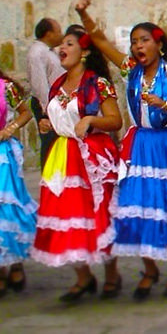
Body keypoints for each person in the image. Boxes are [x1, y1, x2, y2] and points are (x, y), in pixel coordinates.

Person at [75, 0, 167, 299]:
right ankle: (149, 268)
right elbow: (99, 40)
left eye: (144, 40)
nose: (138, 46)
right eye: (134, 41)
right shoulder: (131, 70)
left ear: (158, 45)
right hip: (138, 146)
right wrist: (83, 13)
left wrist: (165, 105)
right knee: (137, 204)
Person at [31, 26, 123, 301]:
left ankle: (111, 274)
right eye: (61, 44)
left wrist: (91, 119)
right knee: (65, 214)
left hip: (91, 154)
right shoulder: (57, 85)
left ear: (84, 52)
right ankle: (83, 276)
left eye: (69, 44)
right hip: (63, 155)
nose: (62, 48)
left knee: (99, 213)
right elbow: (59, 116)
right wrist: (48, 123)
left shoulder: (97, 83)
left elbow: (115, 120)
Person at [0, 69, 36, 296]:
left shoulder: (6, 88)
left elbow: (25, 112)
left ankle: (15, 262)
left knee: (8, 208)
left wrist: (9, 129)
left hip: (3, 156)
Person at [25, 17, 63, 164]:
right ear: (48, 34)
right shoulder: (37, 53)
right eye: (58, 31)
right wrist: (47, 111)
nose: (61, 35)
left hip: (56, 102)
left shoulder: (50, 51)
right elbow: (39, 83)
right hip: (47, 103)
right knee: (50, 143)